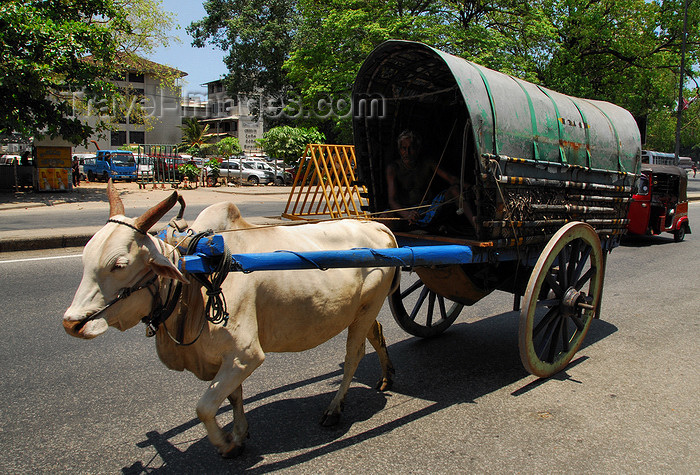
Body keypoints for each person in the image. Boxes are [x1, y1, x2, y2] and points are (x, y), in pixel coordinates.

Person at [385, 129, 476, 232]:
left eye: (412, 148)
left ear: (418, 149)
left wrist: (470, 187)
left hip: (428, 210)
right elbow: (392, 201)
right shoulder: (393, 168)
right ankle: (431, 228)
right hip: (404, 211)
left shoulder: (427, 163)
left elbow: (450, 179)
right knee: (384, 218)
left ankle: (476, 227)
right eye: (404, 148)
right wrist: (407, 214)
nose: (407, 152)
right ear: (399, 149)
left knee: (455, 190)